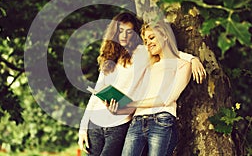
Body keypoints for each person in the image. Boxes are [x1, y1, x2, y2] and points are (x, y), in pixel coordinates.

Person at [78, 12, 206, 156]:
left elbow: (168, 50)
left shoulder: (141, 52)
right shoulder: (109, 58)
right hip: (96, 122)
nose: (124, 36)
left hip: (120, 121)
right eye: (120, 31)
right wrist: (83, 128)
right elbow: (96, 93)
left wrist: (193, 59)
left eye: (129, 32)